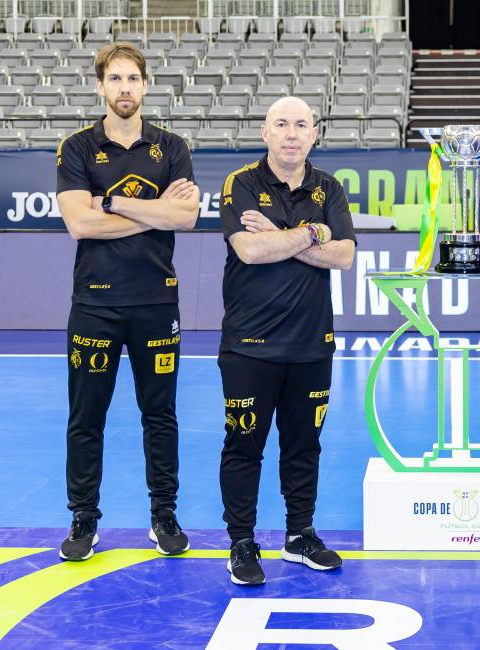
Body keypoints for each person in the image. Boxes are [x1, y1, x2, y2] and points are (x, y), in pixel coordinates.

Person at [55, 42, 200, 561]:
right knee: (85, 417)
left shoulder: (173, 147)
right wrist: (153, 208)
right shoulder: (76, 148)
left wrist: (113, 202)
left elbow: (185, 218)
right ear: (100, 86)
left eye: (132, 79)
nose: (123, 88)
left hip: (156, 303)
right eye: (114, 79)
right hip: (94, 304)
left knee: (160, 415)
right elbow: (78, 223)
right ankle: (83, 518)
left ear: (145, 85)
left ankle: (164, 516)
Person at [216, 96, 356, 586]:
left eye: (301, 124)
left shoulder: (330, 188)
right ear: (265, 132)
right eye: (282, 124)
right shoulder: (240, 184)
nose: (292, 133)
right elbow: (252, 250)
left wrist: (286, 233)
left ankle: (300, 535)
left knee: (304, 446)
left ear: (314, 134)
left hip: (312, 344)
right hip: (249, 345)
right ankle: (241, 542)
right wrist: (312, 234)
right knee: (243, 446)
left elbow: (344, 256)